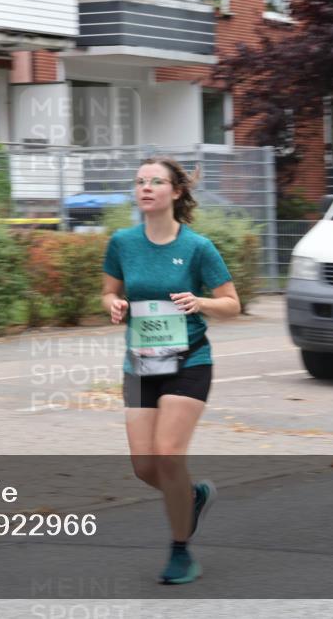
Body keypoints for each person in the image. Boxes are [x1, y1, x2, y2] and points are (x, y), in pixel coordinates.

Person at [101, 157, 241, 584]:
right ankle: (191, 496)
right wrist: (114, 305)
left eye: (156, 181)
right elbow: (107, 292)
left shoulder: (197, 248)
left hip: (189, 360)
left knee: (167, 453)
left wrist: (200, 303)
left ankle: (181, 551)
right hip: (142, 362)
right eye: (140, 181)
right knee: (146, 467)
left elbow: (233, 303)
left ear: (175, 193)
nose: (145, 187)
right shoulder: (122, 243)